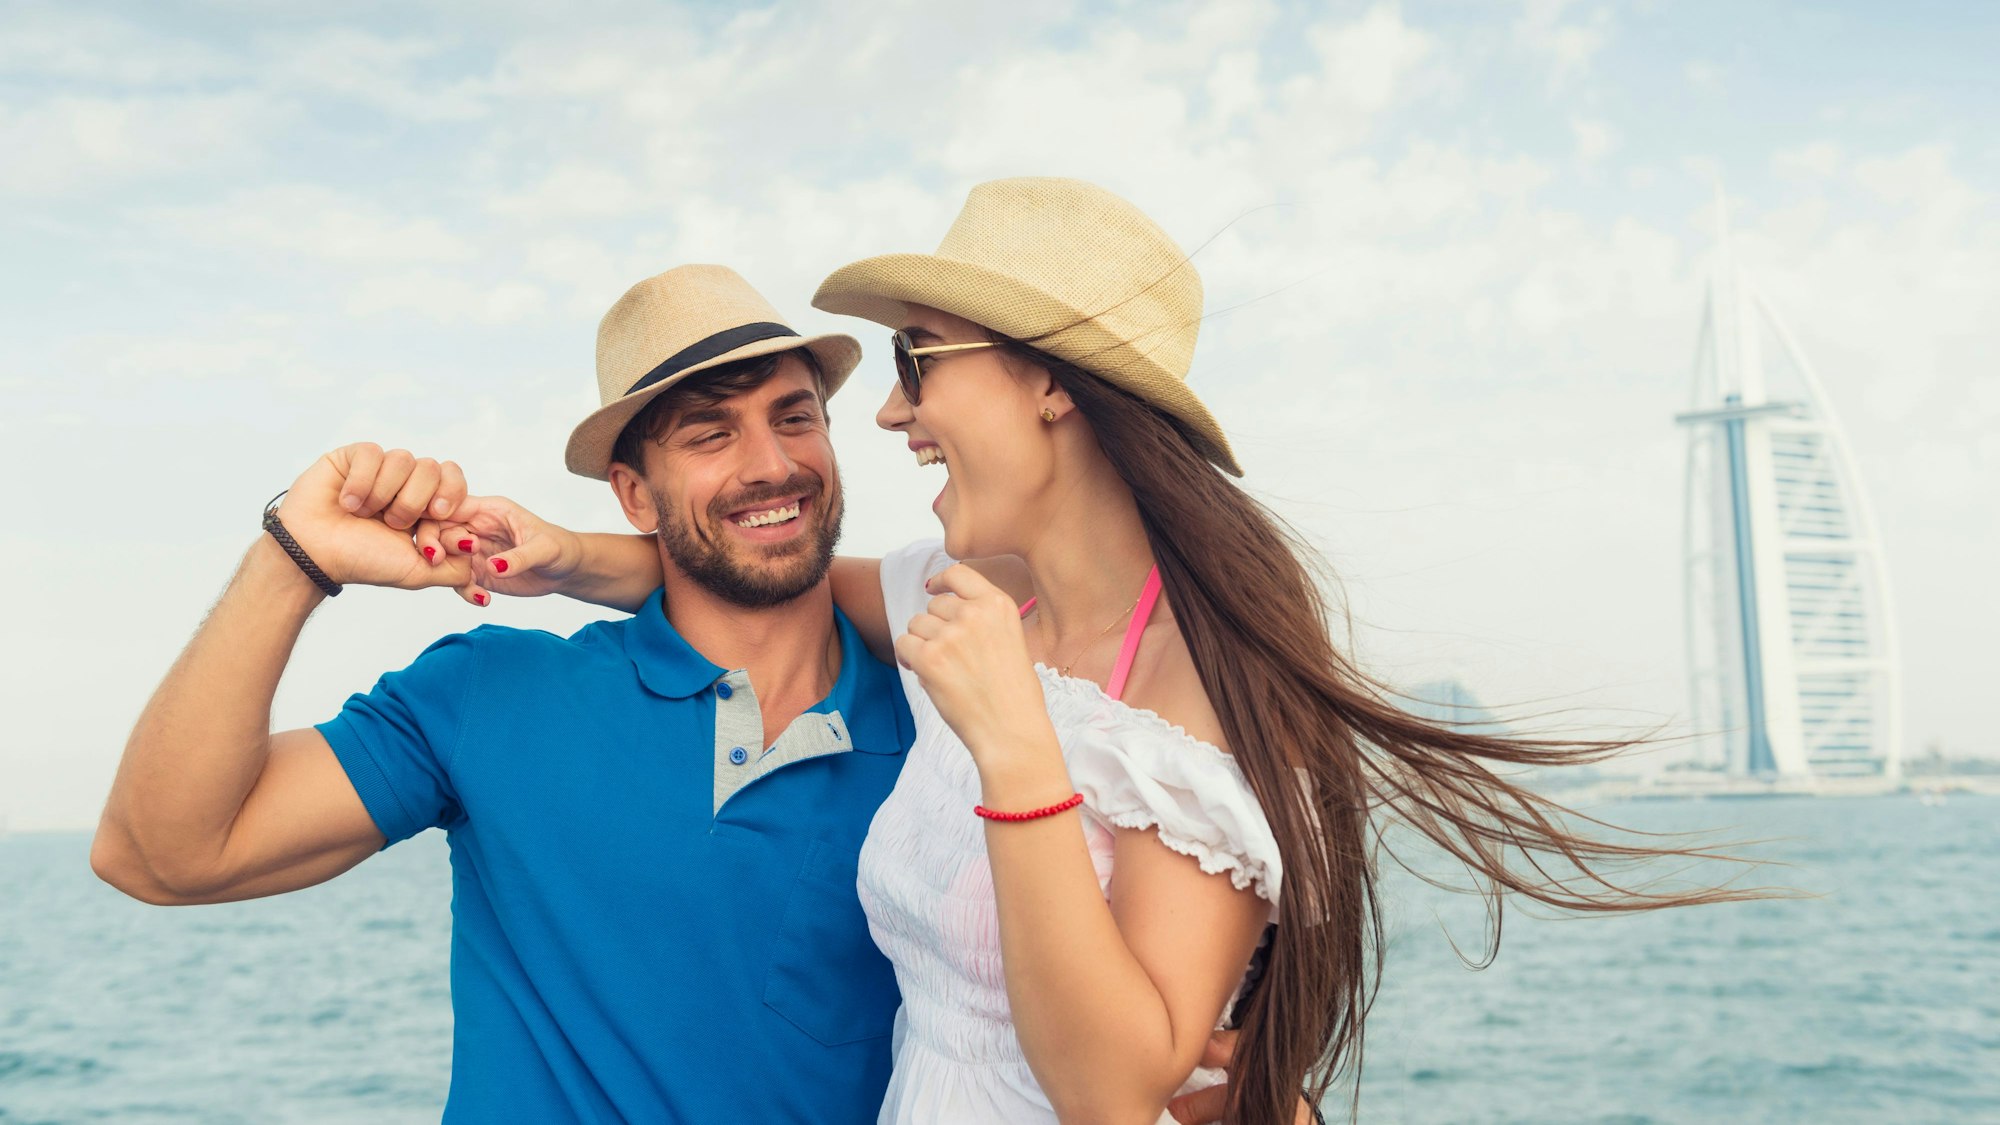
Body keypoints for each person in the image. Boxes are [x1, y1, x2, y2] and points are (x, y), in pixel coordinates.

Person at [450, 178, 1763, 1123]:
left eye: (919, 360)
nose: (894, 412)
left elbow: (1113, 1090)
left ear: (1050, 382)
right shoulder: (971, 604)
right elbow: (766, 570)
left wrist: (1018, 751)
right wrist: (566, 556)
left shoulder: (1193, 691)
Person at [90, 266, 920, 1123]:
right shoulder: (490, 694)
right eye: (711, 434)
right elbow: (157, 854)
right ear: (635, 495)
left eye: (795, 418)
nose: (774, 464)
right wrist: (294, 557)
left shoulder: (943, 731)